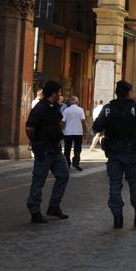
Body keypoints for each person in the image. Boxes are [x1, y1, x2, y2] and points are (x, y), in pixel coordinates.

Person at [92, 80, 136, 229]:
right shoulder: (134, 108)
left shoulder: (108, 108)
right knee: (134, 183)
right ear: (129, 93)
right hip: (130, 151)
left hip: (113, 151)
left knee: (115, 184)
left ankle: (117, 217)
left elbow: (97, 127)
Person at [25, 80, 70, 224]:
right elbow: (29, 127)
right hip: (44, 149)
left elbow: (59, 122)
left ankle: (54, 206)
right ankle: (34, 210)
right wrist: (36, 143)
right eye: (59, 92)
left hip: (55, 149)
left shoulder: (54, 107)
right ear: (54, 93)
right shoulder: (39, 108)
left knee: (64, 174)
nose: (61, 95)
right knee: (39, 180)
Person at [61, 96, 86, 171]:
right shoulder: (80, 110)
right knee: (77, 148)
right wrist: (85, 131)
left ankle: (67, 164)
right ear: (77, 102)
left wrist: (62, 130)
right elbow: (83, 121)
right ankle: (76, 162)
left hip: (67, 132)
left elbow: (63, 121)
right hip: (78, 132)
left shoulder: (66, 110)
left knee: (67, 149)